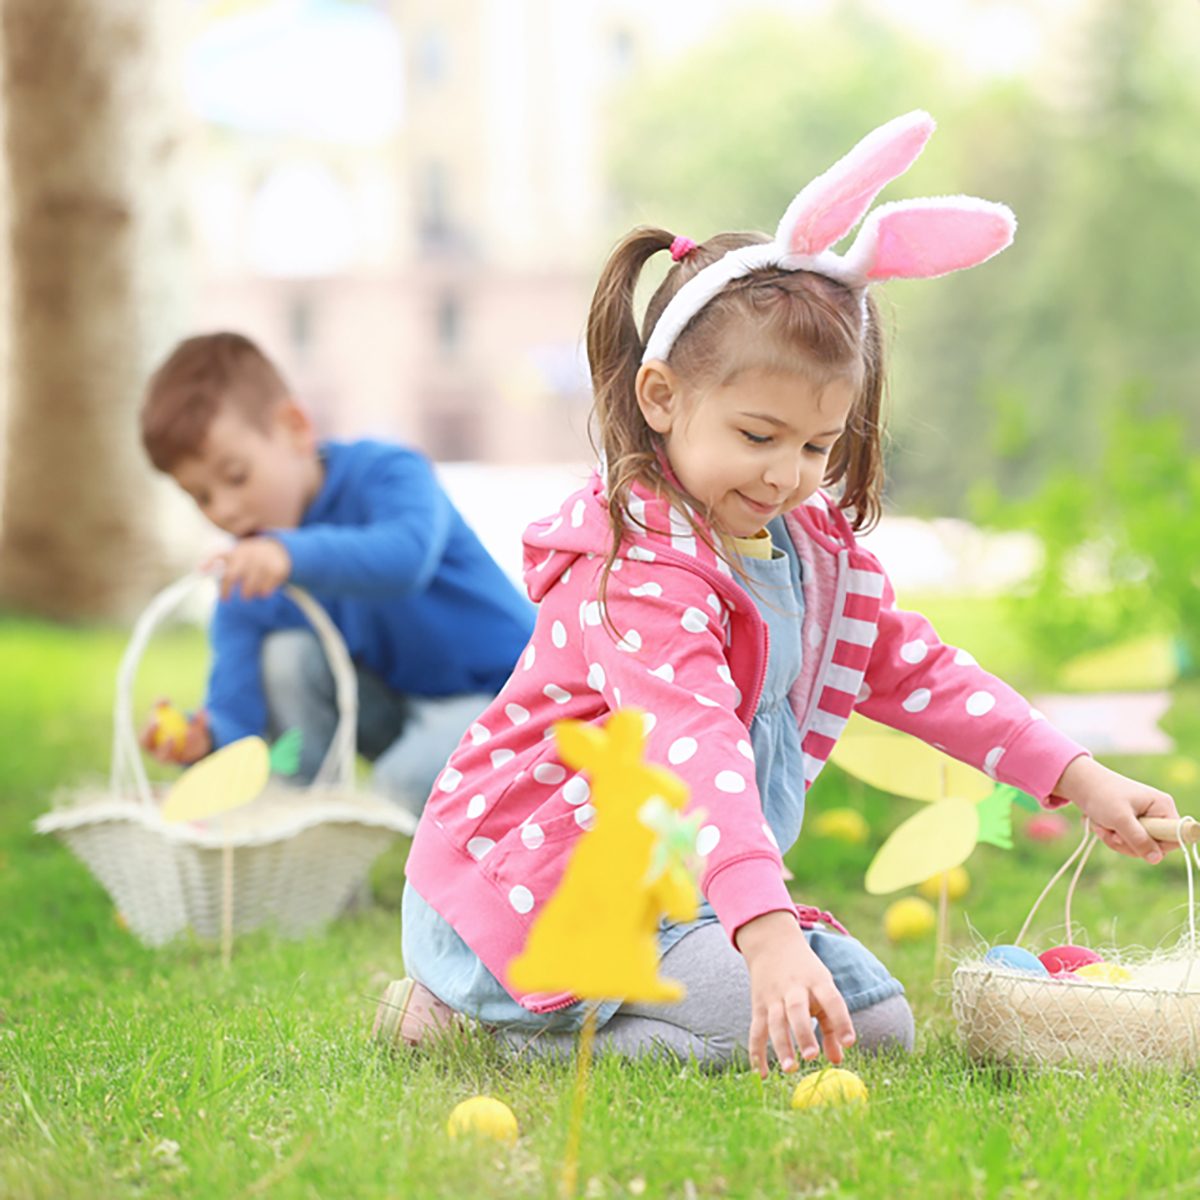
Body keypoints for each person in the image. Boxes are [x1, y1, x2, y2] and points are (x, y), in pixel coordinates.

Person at [377, 112, 1179, 1072]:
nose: (786, 474)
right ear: (662, 397)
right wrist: (765, 937)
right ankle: (463, 1023)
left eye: (816, 445)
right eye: (758, 436)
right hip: (539, 890)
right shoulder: (636, 572)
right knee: (760, 1031)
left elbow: (922, 673)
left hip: (686, 888)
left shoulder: (806, 551)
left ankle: (698, 971)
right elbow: (692, 744)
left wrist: (1081, 779)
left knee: (871, 1027)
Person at [138, 332, 535, 817]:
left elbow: (406, 557)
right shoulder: (249, 577)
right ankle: (305, 818)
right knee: (285, 657)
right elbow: (240, 715)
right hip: (400, 709)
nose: (223, 509)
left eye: (236, 476)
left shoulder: (387, 472)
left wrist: (288, 555)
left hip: (509, 695)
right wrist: (206, 739)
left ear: (294, 428)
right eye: (200, 496)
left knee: (399, 785)